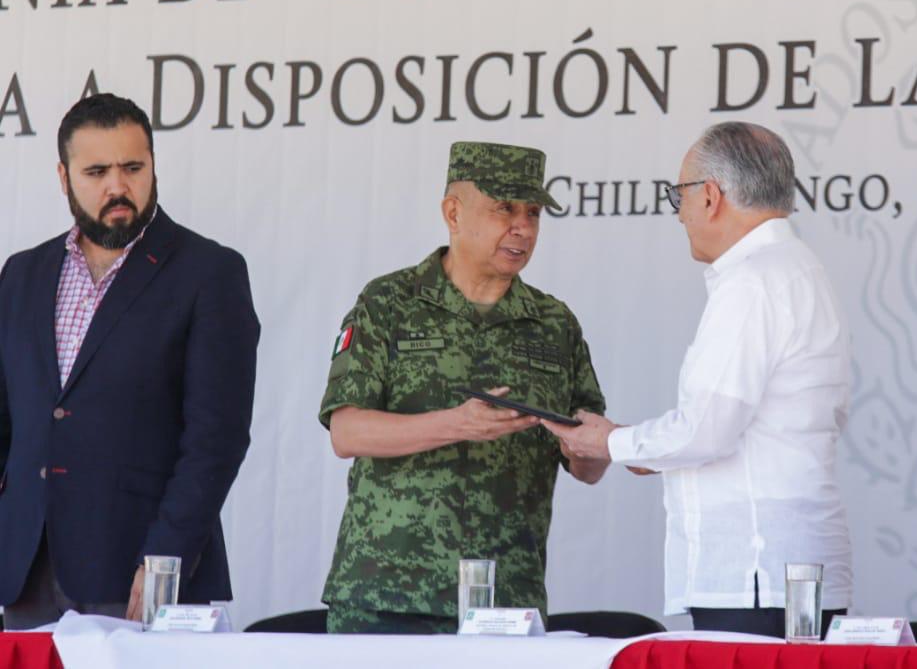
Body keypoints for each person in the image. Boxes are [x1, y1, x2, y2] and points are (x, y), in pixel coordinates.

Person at [546, 122, 853, 638]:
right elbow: (754, 428)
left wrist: (609, 441)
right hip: (791, 568)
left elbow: (707, 430)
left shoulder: (752, 282)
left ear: (710, 196)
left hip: (754, 572)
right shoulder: (799, 268)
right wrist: (643, 450)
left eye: (679, 195)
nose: (679, 212)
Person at [319, 141, 608, 634]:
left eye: (533, 213)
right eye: (504, 209)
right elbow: (348, 433)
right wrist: (458, 424)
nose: (523, 227)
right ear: (453, 212)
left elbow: (589, 466)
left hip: (506, 599)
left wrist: (591, 444)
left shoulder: (554, 323)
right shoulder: (388, 303)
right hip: (387, 595)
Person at [0, 93, 259, 629]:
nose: (118, 187)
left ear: (153, 167)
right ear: (63, 176)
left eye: (132, 167)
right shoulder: (21, 274)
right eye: (97, 171)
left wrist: (167, 558)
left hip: (144, 576)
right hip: (27, 572)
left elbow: (216, 438)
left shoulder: (210, 273)